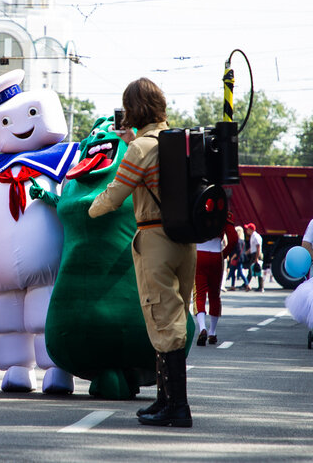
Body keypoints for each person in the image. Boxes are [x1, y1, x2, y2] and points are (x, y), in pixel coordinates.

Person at [89, 77, 195, 428]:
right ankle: (165, 400)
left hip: (154, 237)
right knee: (176, 316)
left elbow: (115, 195)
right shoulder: (179, 141)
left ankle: (176, 406)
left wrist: (91, 208)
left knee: (162, 318)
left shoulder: (139, 148)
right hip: (186, 240)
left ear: (134, 109)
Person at [193, 214, 237, 346]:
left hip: (199, 253)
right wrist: (224, 254)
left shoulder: (195, 207)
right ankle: (212, 331)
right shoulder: (224, 213)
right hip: (216, 255)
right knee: (214, 295)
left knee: (199, 294)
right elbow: (234, 238)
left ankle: (202, 328)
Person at [226, 226, 249, 291]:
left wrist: (232, 258)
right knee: (236, 272)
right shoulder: (242, 241)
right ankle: (235, 285)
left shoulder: (237, 241)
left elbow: (237, 251)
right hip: (241, 258)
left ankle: (246, 284)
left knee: (235, 272)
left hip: (236, 259)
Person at [243, 223, 264, 292]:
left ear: (251, 229)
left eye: (247, 229)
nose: (246, 230)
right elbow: (252, 248)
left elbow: (258, 248)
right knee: (251, 269)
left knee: (257, 270)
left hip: (256, 254)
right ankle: (246, 283)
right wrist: (245, 253)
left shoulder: (255, 236)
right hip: (254, 254)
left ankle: (260, 287)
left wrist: (256, 258)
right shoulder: (252, 236)